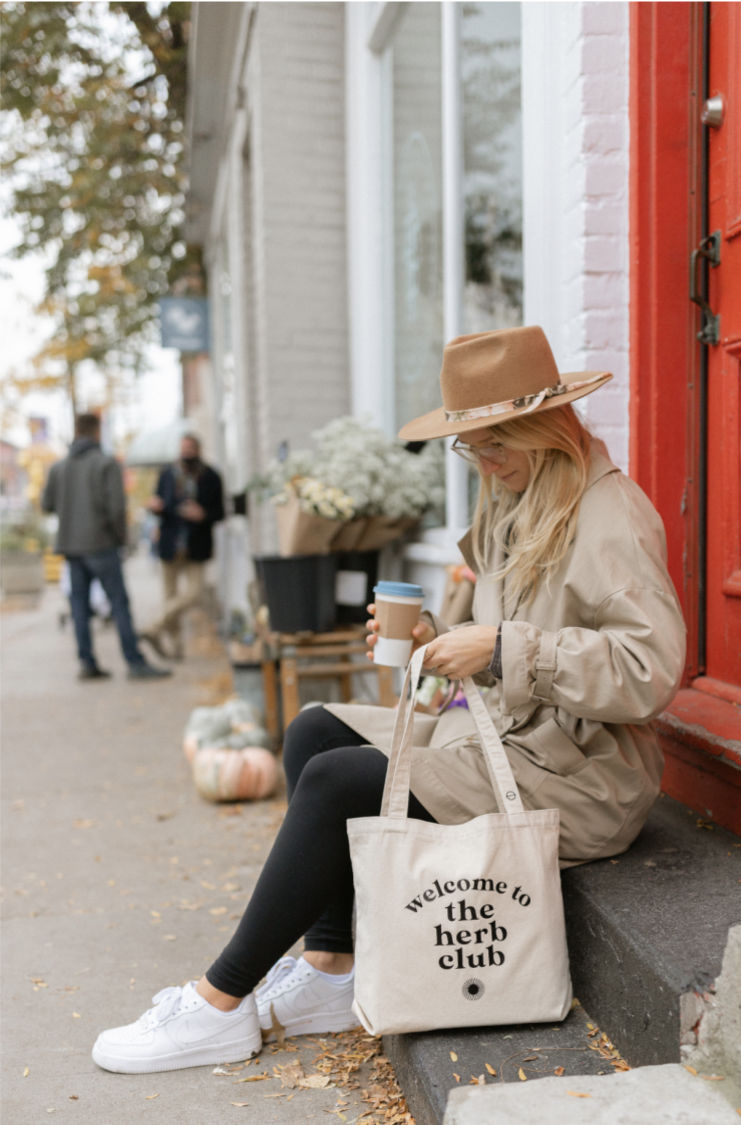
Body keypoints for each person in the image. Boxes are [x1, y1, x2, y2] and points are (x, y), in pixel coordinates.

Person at [91, 325, 686, 1074]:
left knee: (343, 780)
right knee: (317, 728)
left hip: (585, 775)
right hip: (509, 736)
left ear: (545, 426)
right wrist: (444, 634)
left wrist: (501, 647)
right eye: (469, 445)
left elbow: (650, 668)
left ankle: (218, 1003)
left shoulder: (611, 515)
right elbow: (506, 640)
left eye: (496, 441)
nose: (484, 461)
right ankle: (331, 970)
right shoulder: (517, 498)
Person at [41, 413, 171, 682]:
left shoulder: (58, 468)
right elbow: (115, 508)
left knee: (79, 607)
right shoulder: (106, 464)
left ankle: (87, 663)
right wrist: (121, 539)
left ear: (76, 431)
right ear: (96, 432)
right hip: (101, 544)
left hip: (71, 547)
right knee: (119, 603)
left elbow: (47, 505)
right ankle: (134, 662)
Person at [140, 433, 224, 660]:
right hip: (170, 543)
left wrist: (203, 514)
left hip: (196, 545)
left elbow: (221, 512)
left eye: (190, 448)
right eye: (183, 448)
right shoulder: (167, 474)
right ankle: (176, 647)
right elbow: (160, 501)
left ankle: (155, 626)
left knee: (194, 593)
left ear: (198, 449)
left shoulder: (211, 476)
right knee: (170, 596)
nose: (186, 452)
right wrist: (155, 507)